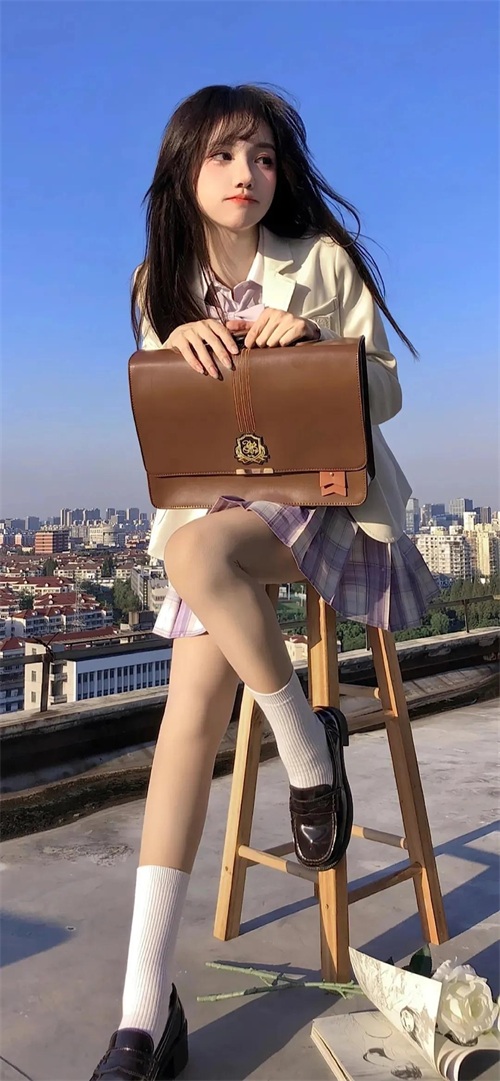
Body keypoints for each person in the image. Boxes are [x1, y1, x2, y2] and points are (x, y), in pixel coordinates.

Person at [89, 83, 439, 1080]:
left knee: (194, 558)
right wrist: (171, 344)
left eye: (263, 156)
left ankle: (302, 741)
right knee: (186, 713)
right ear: (182, 172)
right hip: (216, 515)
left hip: (322, 508)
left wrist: (316, 349)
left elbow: (387, 389)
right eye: (223, 155)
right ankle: (140, 1014)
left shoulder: (318, 260)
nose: (246, 173)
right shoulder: (158, 280)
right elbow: (164, 414)